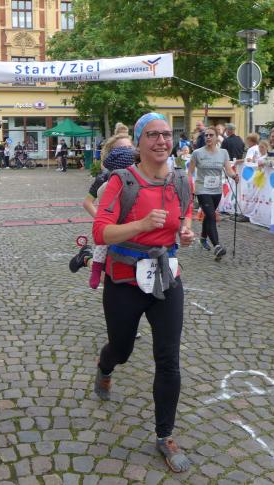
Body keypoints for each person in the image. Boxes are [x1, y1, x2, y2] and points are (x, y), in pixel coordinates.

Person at [92, 112, 195, 473]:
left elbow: (186, 214)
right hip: (124, 279)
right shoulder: (122, 182)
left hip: (166, 276)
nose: (161, 141)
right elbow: (101, 232)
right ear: (139, 142)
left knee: (168, 359)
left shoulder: (182, 180)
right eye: (152, 135)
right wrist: (139, 225)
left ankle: (164, 435)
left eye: (166, 134)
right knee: (121, 349)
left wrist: (185, 232)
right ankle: (105, 366)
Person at [72, 134, 137, 288]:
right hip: (111, 230)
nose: (128, 151)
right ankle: (86, 258)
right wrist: (105, 222)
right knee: (106, 277)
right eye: (123, 148)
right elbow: (87, 203)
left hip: (132, 232)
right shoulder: (105, 177)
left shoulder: (141, 172)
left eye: (130, 147)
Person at [189, 126, 237, 260]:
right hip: (202, 189)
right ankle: (217, 246)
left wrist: (234, 176)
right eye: (206, 135)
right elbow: (190, 172)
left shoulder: (223, 153)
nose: (208, 137)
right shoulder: (197, 153)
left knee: (209, 216)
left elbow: (228, 170)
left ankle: (203, 238)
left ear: (217, 138)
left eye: (211, 135)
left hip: (216, 190)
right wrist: (189, 186)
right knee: (211, 215)